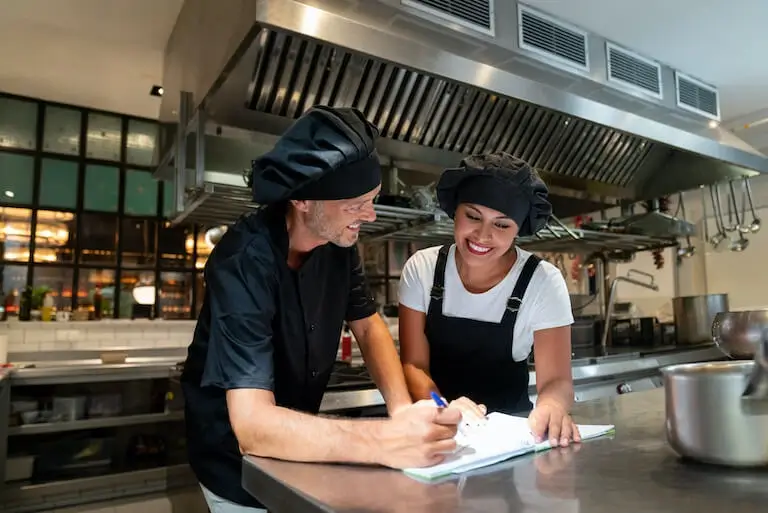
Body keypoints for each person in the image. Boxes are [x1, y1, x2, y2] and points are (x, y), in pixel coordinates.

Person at [180, 106, 461, 512]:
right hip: (235, 464)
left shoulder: (340, 246)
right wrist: (384, 440)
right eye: (355, 204)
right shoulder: (242, 263)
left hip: (299, 448)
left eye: (373, 200)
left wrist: (402, 409)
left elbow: (367, 325)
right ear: (303, 200)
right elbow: (253, 427)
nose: (370, 215)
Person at [398, 151, 580, 449]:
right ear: (455, 211)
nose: (482, 235)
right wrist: (442, 407)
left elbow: (557, 381)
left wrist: (551, 406)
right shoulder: (423, 269)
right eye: (472, 216)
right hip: (435, 432)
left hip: (511, 443)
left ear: (518, 230)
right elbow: (414, 365)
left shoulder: (542, 282)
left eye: (502, 225)